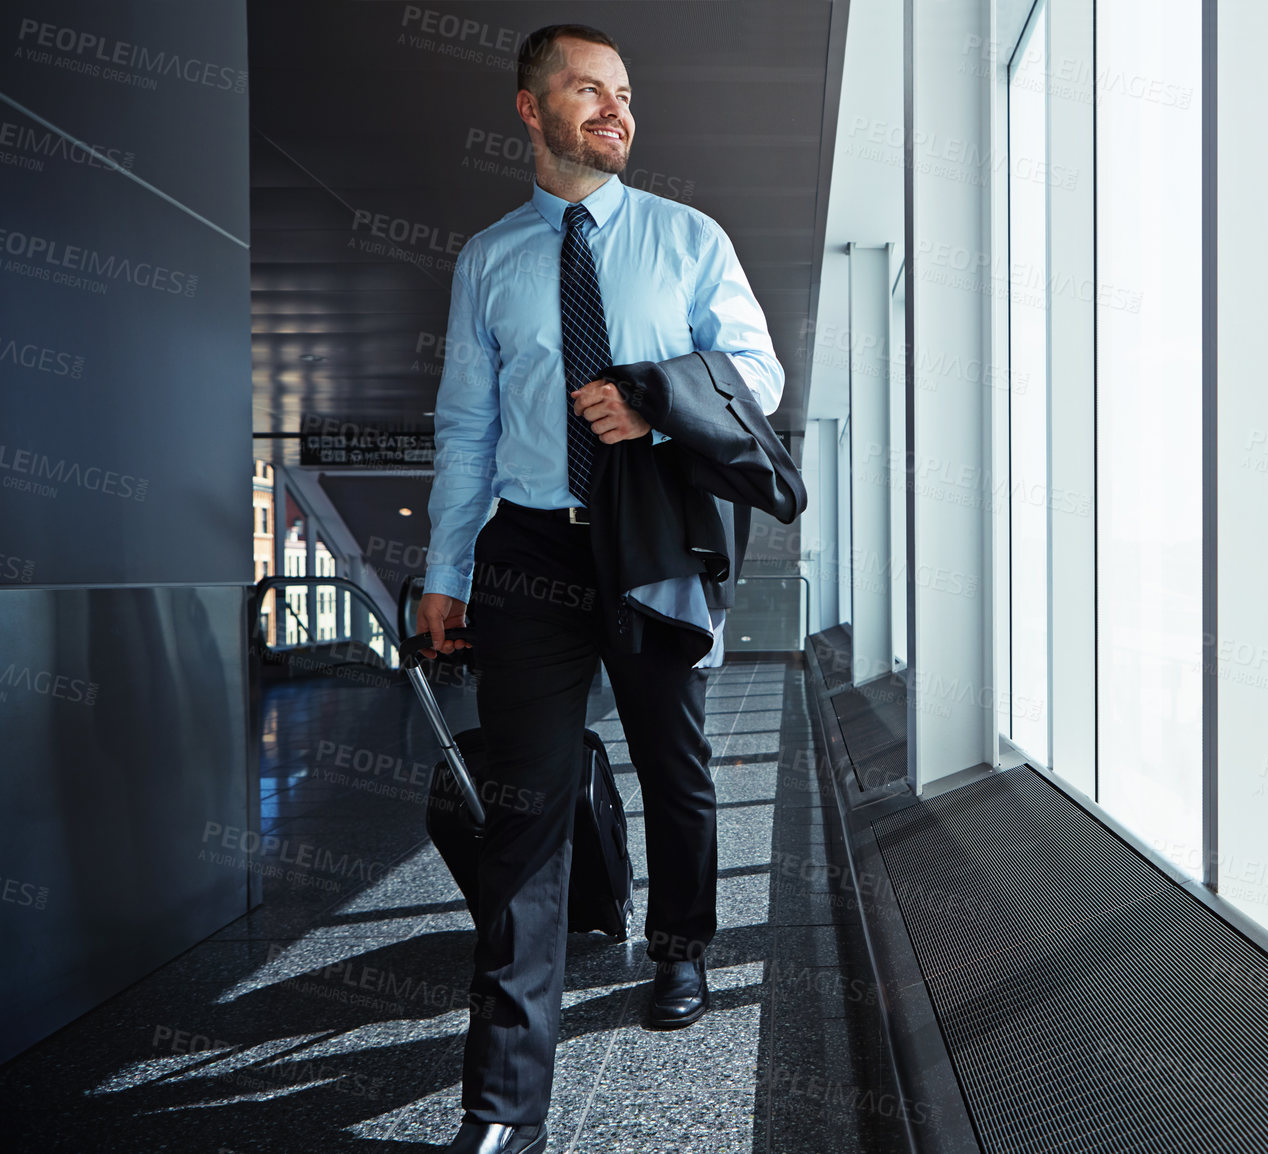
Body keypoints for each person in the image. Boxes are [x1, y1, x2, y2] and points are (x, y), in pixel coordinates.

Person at [415, 23, 784, 1154]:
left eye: (625, 92)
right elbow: (466, 426)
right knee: (524, 809)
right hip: (528, 549)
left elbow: (756, 371)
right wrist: (443, 573)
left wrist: (650, 399)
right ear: (531, 109)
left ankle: (678, 954)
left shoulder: (687, 238)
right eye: (589, 90)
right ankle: (503, 1103)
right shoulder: (489, 260)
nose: (616, 109)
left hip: (652, 539)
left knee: (673, 766)